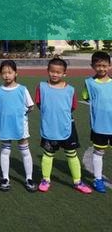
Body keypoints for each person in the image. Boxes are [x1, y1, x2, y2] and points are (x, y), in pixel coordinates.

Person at [36, 58, 91, 193]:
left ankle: (78, 181)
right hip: (49, 127)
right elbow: (39, 103)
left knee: (72, 154)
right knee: (48, 154)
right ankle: (45, 179)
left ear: (64, 73)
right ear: (47, 71)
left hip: (67, 127)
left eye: (58, 72)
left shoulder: (70, 90)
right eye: (52, 71)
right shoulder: (41, 87)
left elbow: (73, 107)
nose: (55, 74)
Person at [0, 59, 37, 192]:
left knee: (25, 151)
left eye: (10, 72)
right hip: (5, 125)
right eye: (4, 73)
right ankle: (5, 178)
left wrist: (20, 115)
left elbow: (31, 106)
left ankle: (29, 178)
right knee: (5, 151)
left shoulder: (22, 89)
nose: (7, 75)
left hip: (20, 125)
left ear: (16, 73)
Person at [82, 51, 112, 193]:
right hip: (99, 125)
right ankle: (98, 179)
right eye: (98, 65)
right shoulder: (89, 83)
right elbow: (85, 96)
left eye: (104, 65)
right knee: (99, 151)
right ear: (92, 66)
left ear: (109, 66)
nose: (101, 68)